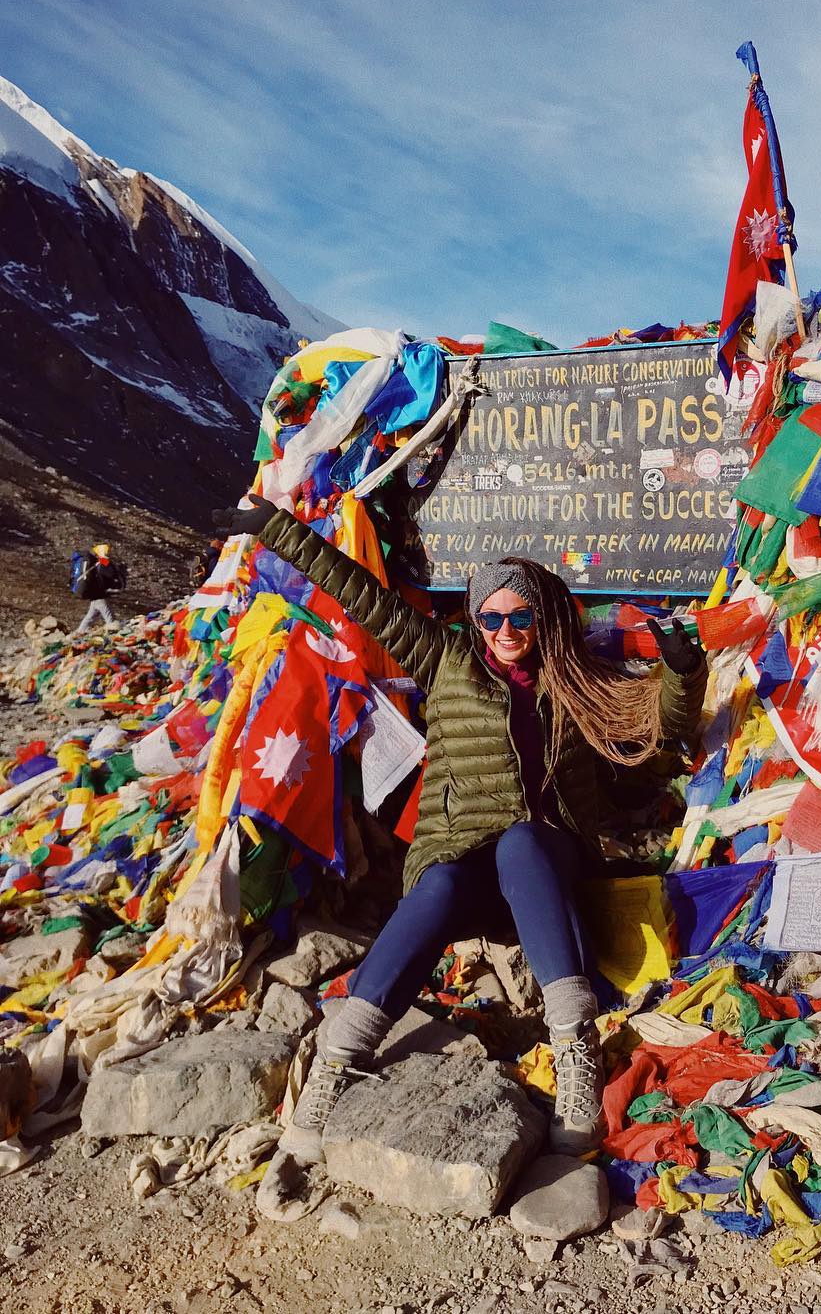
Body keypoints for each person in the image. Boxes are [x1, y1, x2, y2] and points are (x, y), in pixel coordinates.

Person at [216, 494, 707, 1164]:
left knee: (524, 841)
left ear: (543, 614)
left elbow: (667, 737)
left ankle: (576, 1059)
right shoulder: (447, 662)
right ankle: (336, 1065)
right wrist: (276, 527)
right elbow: (364, 597)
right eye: (490, 615)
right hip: (465, 859)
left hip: (549, 864)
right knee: (439, 885)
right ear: (476, 621)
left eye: (519, 613)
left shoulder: (578, 681)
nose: (505, 627)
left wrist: (683, 672)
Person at [74, 543, 125, 633]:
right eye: (107, 551)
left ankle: (81, 630)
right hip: (99, 595)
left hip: (96, 594)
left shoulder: (98, 563)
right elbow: (110, 574)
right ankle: (113, 629)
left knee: (91, 615)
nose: (109, 552)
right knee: (109, 616)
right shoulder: (103, 562)